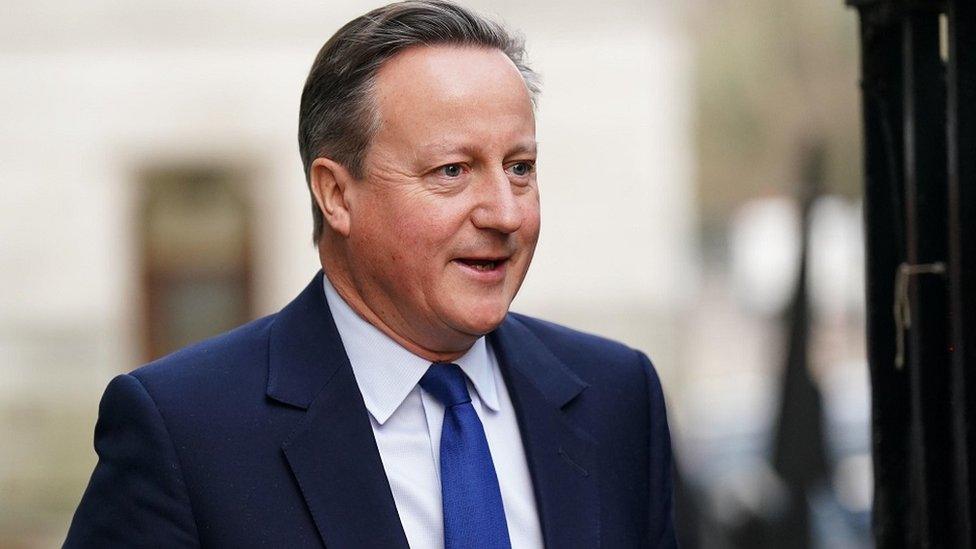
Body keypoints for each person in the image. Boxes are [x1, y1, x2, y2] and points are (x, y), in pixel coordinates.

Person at [64, 1, 676, 547]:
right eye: (452, 171)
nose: (506, 213)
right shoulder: (185, 430)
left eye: (519, 168)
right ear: (336, 193)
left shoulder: (616, 396)